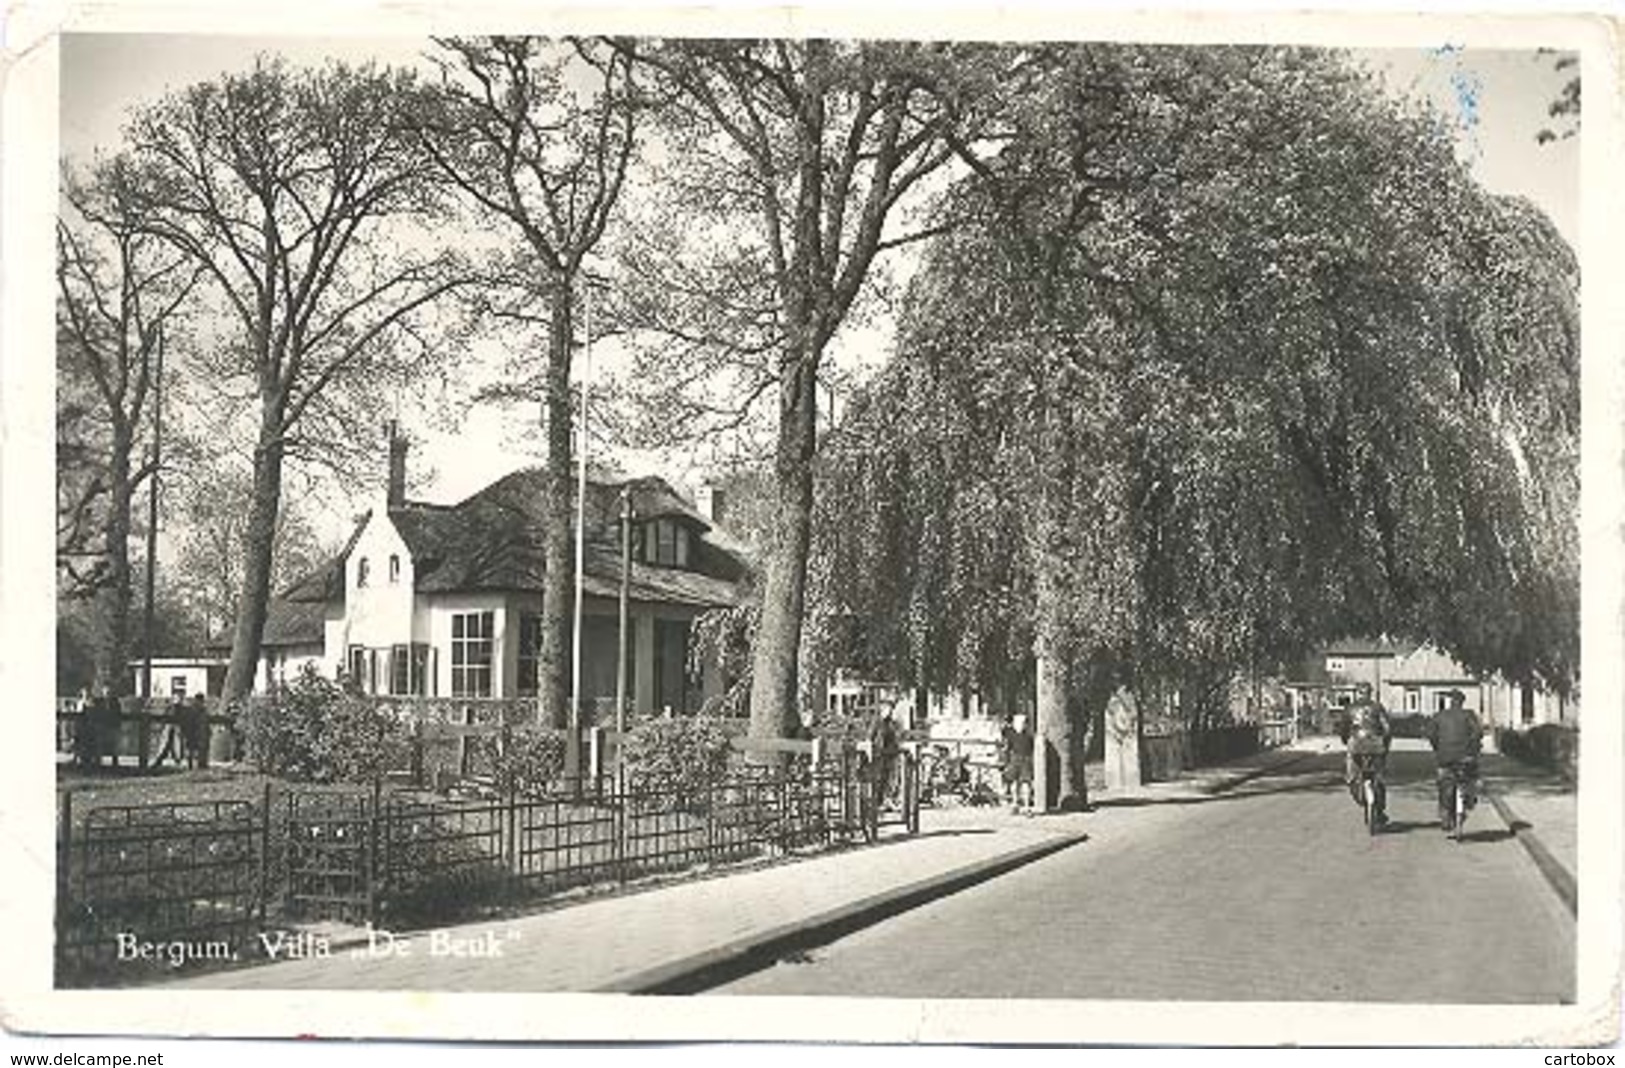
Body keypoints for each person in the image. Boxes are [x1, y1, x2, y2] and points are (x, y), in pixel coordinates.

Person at [1425, 689, 1483, 832]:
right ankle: (1469, 801)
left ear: (1450, 701)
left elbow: (1431, 734)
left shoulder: (1439, 716)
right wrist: (1472, 748)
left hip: (1445, 757)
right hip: (1466, 757)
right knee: (1471, 779)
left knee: (1444, 782)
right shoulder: (1469, 715)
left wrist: (1437, 748)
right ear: (1462, 702)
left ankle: (1445, 812)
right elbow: (1478, 733)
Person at [1339, 686, 1392, 827]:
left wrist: (1345, 740)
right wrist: (1385, 746)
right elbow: (1387, 729)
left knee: (1351, 777)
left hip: (1355, 744)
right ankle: (1379, 809)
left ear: (1358, 693)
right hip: (1376, 745)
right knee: (1379, 777)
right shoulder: (1378, 707)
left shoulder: (1349, 708)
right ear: (1370, 693)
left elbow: (1344, 729)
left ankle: (1362, 798)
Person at [1002, 713, 1035, 813]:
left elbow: (1007, 747)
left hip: (1022, 758)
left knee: (1024, 783)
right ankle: (1018, 804)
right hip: (1019, 758)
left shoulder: (1025, 735)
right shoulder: (1014, 734)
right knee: (1017, 783)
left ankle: (1024, 805)